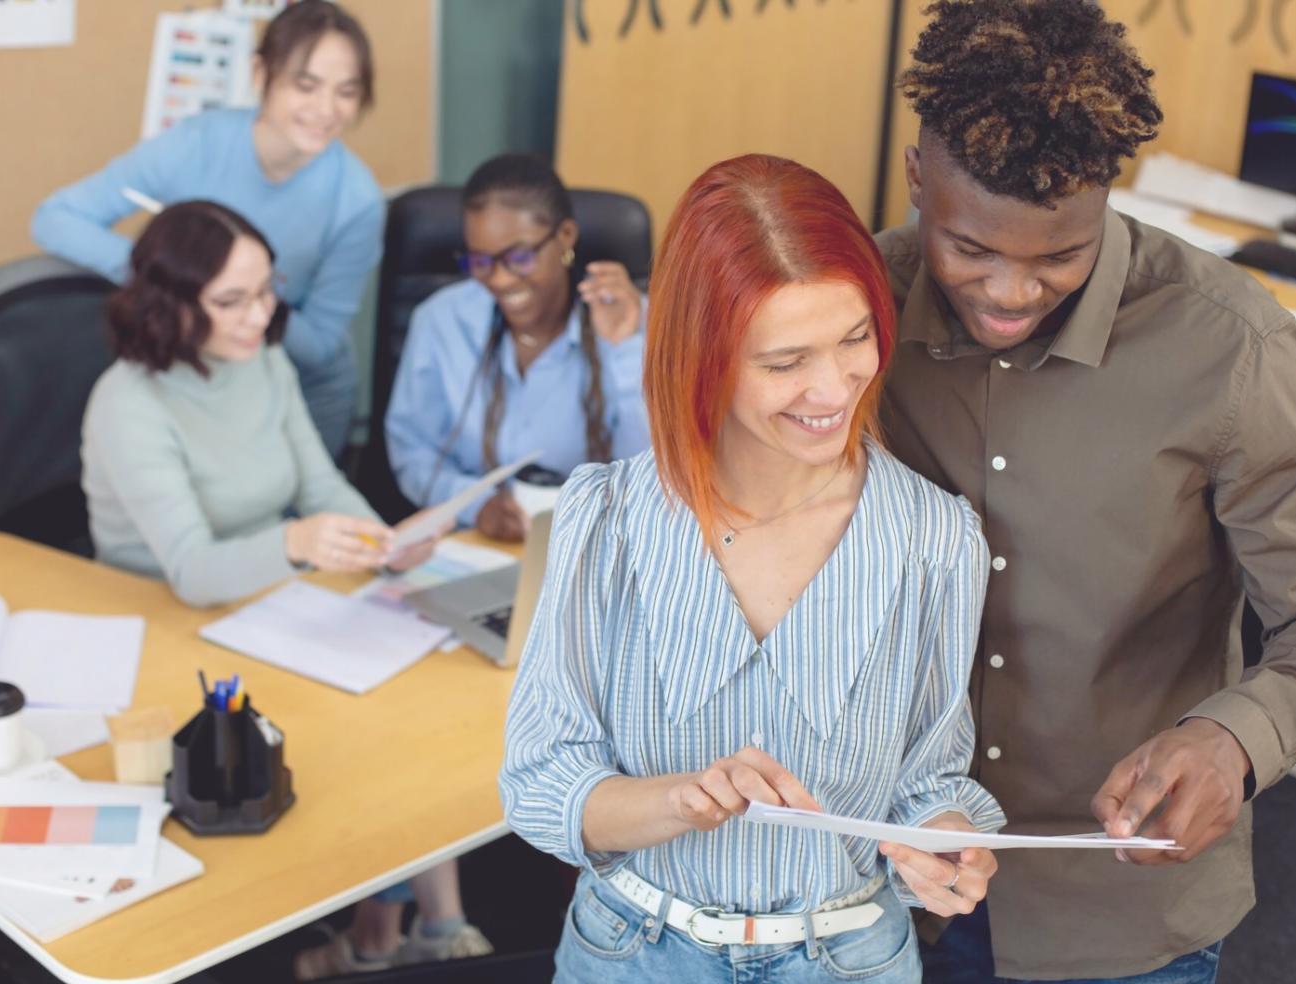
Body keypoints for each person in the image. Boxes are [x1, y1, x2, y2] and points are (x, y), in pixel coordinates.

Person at [877, 2, 1296, 981]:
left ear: (1109, 198)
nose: (1008, 293)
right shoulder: (854, 309)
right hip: (886, 884)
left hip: (1114, 908)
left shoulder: (1227, 344)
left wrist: (1234, 742)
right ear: (916, 178)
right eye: (971, 250)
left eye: (1056, 259)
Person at [499, 154, 1005, 983]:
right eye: (783, 362)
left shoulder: (935, 538)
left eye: (853, 340)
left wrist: (943, 843)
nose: (833, 389)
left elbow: (928, 776)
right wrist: (680, 800)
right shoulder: (606, 521)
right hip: (631, 954)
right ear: (702, 357)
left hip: (845, 958)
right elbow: (542, 782)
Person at [35, 0, 382, 458]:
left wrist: (245, 302)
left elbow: (318, 344)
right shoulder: (195, 145)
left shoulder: (358, 200)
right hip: (194, 378)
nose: (326, 109)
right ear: (260, 75)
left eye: (346, 92)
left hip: (298, 388)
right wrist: (174, 278)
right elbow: (55, 217)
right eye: (306, 85)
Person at [82, 201, 438, 607]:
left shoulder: (263, 358)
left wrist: (386, 548)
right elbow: (191, 572)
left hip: (262, 596)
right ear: (169, 306)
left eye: (265, 291)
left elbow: (320, 487)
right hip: (155, 606)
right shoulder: (128, 405)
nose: (259, 317)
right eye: (230, 302)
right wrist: (294, 543)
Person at [384, 153, 650, 542]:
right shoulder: (441, 322)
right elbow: (413, 453)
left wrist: (626, 347)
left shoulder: (631, 322)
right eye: (480, 261)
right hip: (472, 545)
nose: (500, 280)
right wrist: (477, 507)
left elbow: (655, 475)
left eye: (519, 258)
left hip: (594, 546)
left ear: (565, 237)